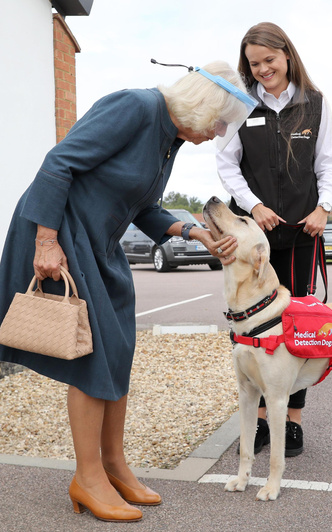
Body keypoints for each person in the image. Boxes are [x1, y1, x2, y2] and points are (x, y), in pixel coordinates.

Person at [0, 61, 250, 523]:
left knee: (119, 350)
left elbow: (145, 207)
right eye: (219, 122)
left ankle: (114, 465)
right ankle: (87, 477)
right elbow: (59, 162)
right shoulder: (136, 106)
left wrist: (196, 233)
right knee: (94, 358)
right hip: (63, 235)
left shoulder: (169, 139)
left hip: (102, 244)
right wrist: (46, 240)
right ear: (203, 107)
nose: (218, 133)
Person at [217, 22, 332, 457]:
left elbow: (327, 163)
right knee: (250, 328)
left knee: (294, 329)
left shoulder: (316, 104)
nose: (263, 69)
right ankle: (262, 422)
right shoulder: (241, 107)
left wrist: (324, 208)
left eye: (269, 60)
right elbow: (227, 165)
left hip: (302, 232)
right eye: (254, 64)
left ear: (287, 54)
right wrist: (252, 205)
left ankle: (294, 421)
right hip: (255, 238)